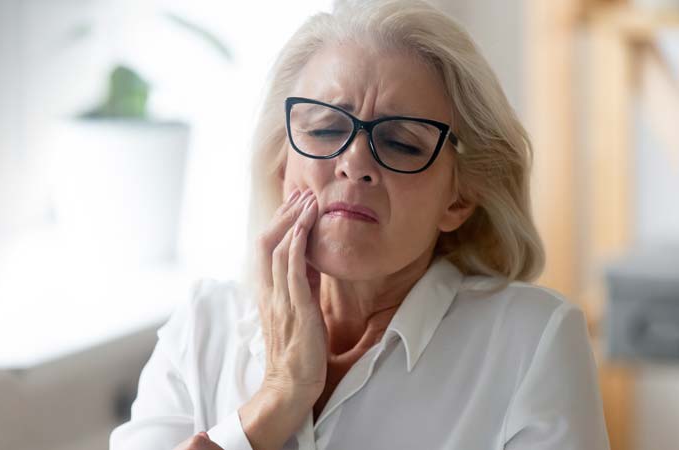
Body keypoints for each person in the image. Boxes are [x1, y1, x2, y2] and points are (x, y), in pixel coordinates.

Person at [110, 0, 611, 449]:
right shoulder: (203, 326)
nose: (354, 162)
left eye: (402, 143)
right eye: (326, 128)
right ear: (282, 161)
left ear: (458, 199)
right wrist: (278, 397)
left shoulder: (531, 341)